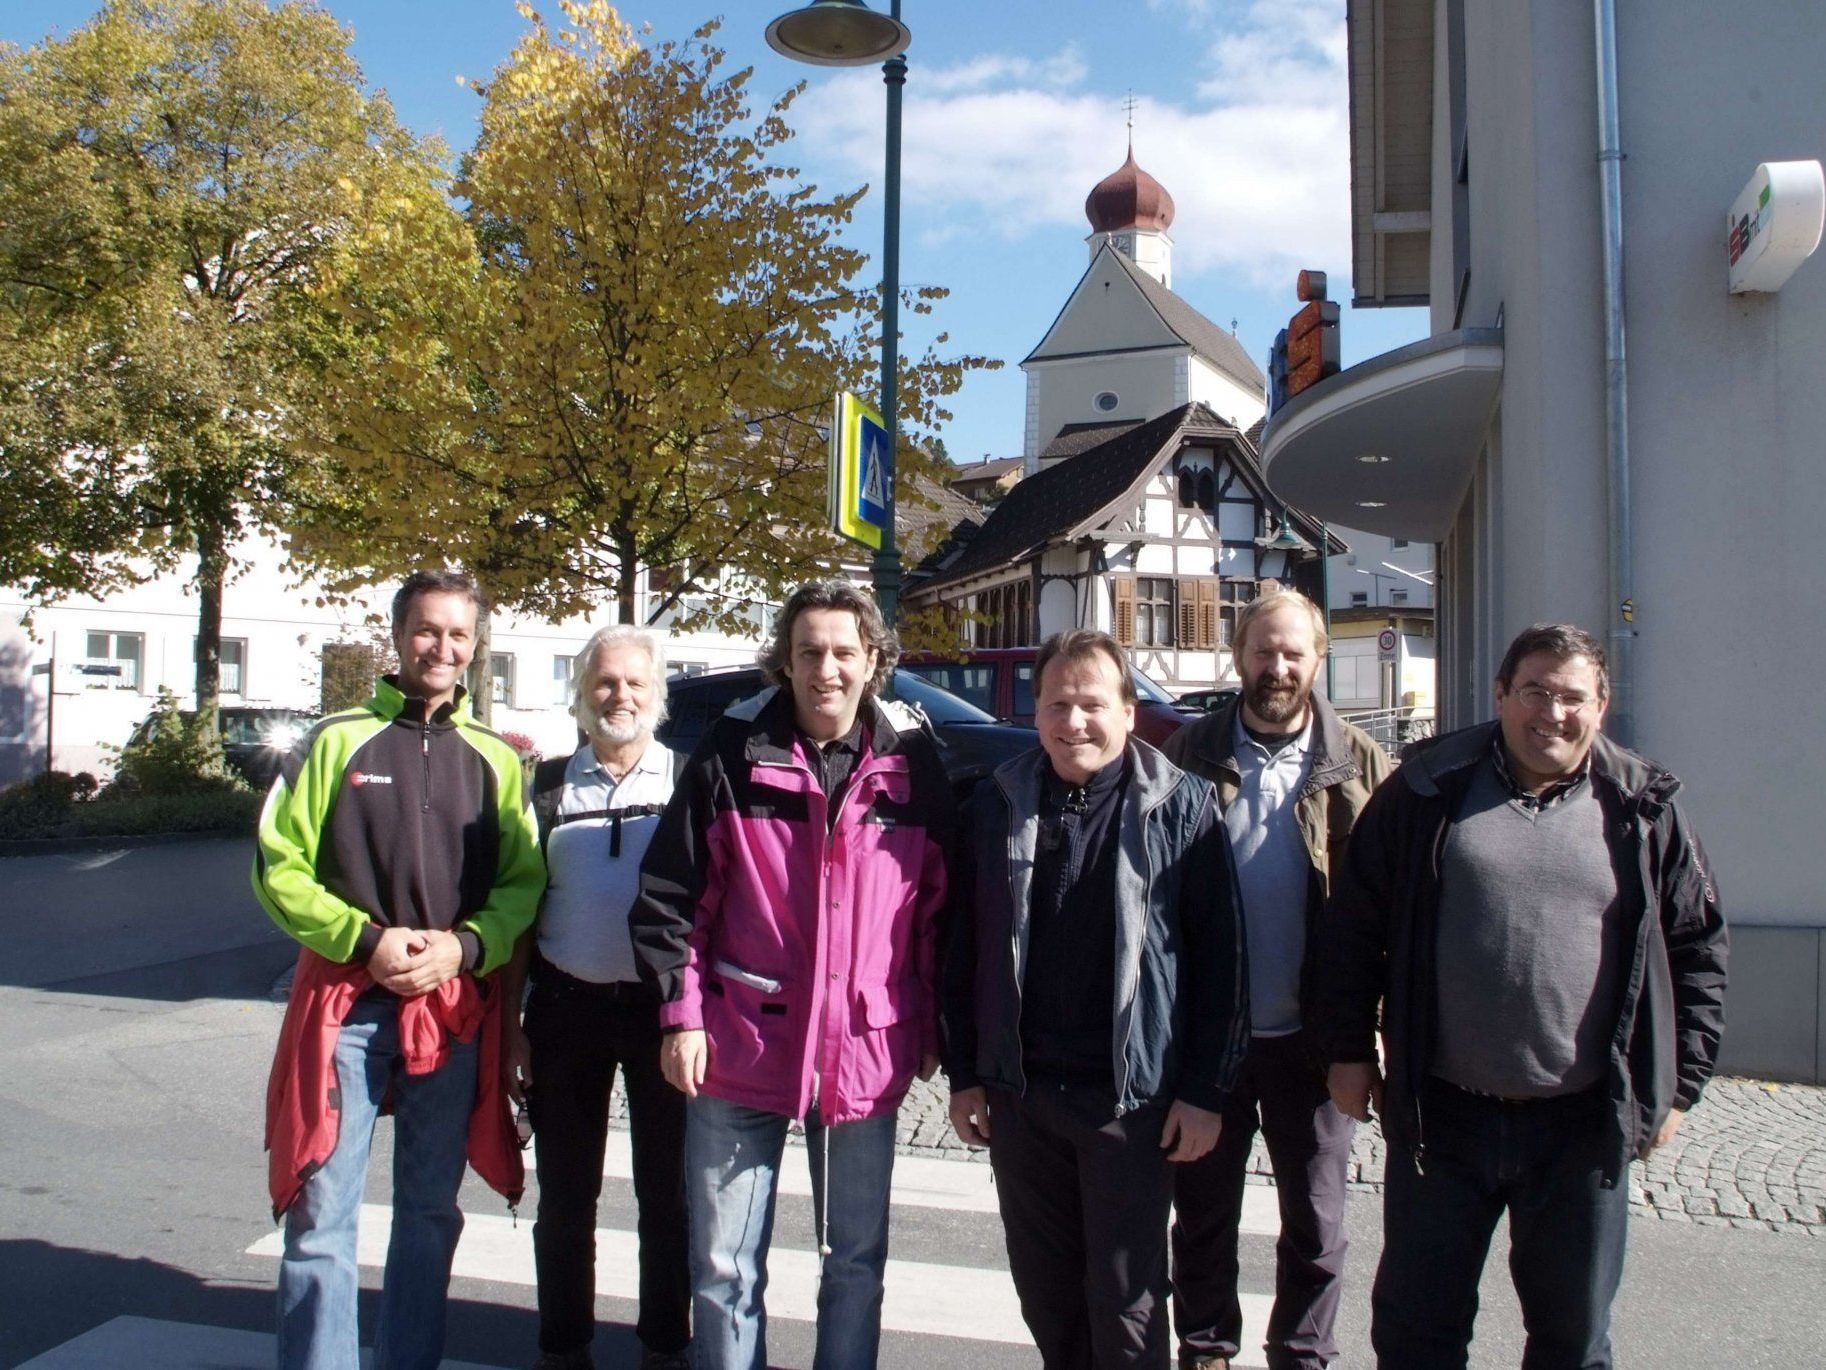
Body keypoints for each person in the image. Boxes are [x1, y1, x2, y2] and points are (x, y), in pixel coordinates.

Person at [1312, 622, 1729, 1369]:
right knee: (1416, 1335)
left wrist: (1680, 1088)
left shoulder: (1643, 809)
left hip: (1581, 1124)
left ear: (1601, 707)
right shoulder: (1426, 792)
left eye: (1573, 697)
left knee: (1572, 1342)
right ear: (1501, 695)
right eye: (1535, 691)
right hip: (1444, 1119)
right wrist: (1347, 1052)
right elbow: (1352, 927)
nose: (1553, 713)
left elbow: (1699, 949)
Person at [630, 579, 954, 1370]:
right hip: (739, 1050)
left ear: (873, 660)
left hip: (864, 1055)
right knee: (724, 1270)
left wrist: (937, 1025)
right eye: (809, 652)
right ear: (786, 662)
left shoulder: (914, 764)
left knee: (854, 1267)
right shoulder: (732, 756)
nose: (827, 669)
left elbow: (942, 914)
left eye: (844, 651)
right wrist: (681, 1016)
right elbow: (671, 900)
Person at [254, 569, 545, 1370]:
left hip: (448, 1009)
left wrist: (464, 947)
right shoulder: (333, 740)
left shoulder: (498, 760)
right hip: (347, 1007)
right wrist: (362, 939)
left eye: (458, 634)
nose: (442, 648)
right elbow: (278, 866)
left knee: (426, 1213)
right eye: (427, 630)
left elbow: (524, 883)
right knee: (322, 1215)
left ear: (475, 647)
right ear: (397, 635)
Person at [943, 628, 1250, 1369]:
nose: (1072, 721)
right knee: (1046, 1292)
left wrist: (1205, 1091)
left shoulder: (1184, 806)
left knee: (1127, 1299)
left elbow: (1222, 962)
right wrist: (965, 1074)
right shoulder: (997, 802)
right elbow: (961, 948)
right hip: (1023, 1097)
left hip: (1131, 1103)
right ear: (1036, 713)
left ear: (1127, 710)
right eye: (1056, 704)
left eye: (1090, 704)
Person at [1162, 590, 1388, 1370]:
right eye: (1264, 651)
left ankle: (1302, 1354)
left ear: (1317, 660)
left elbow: (1390, 912)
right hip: (1209, 1038)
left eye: (1294, 653)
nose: (1278, 667)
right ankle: (1207, 1348)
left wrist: (1372, 1036)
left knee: (1318, 1222)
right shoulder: (1185, 754)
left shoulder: (1361, 764)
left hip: (1317, 1043)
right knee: (1201, 1214)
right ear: (1238, 656)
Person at [502, 625, 689, 1370]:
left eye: (636, 684)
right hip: (564, 1011)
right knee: (567, 1199)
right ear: (582, 695)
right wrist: (512, 1025)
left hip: (661, 1016)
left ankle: (665, 1345)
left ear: (658, 696)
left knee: (668, 1198)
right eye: (606, 683)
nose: (621, 696)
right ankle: (564, 1346)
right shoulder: (546, 786)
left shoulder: (688, 782)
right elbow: (517, 918)